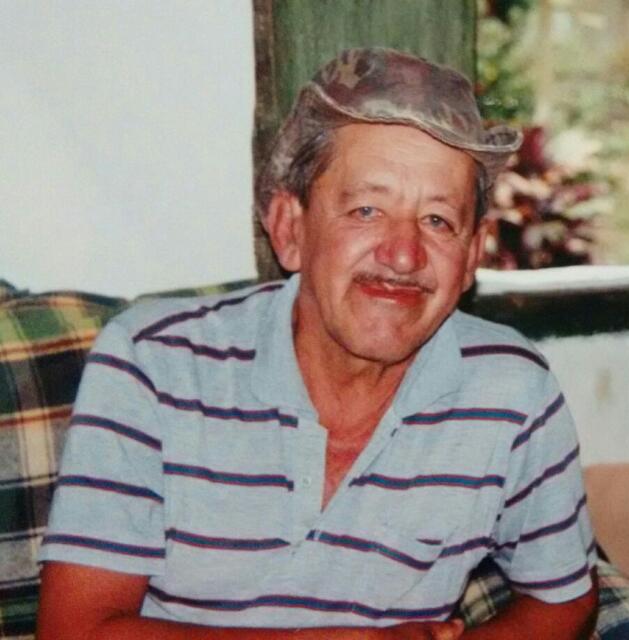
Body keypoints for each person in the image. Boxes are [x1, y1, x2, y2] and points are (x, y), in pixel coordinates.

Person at [36, 48, 598, 639]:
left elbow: (563, 600)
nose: (403, 255)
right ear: (290, 229)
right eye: (366, 209)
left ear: (472, 256)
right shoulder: (153, 364)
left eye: (438, 220)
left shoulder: (513, 391)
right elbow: (75, 631)